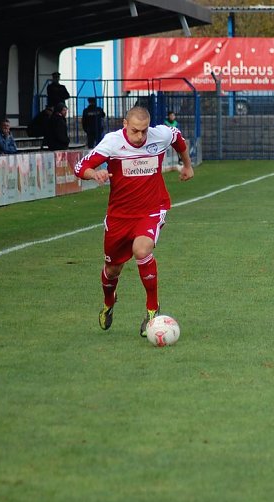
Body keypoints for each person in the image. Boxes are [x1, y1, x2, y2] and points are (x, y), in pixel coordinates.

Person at [74, 106, 194, 337]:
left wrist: (187, 165)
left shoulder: (160, 135)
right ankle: (109, 303)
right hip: (119, 216)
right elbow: (81, 167)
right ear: (124, 124)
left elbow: (178, 139)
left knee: (142, 251)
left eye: (144, 131)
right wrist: (95, 174)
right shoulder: (112, 143)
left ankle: (152, 311)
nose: (140, 136)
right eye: (135, 131)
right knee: (112, 269)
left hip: (151, 208)